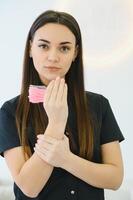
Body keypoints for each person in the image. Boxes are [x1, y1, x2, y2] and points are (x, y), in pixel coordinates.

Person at [0, 10, 125, 200]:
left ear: (75, 53)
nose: (53, 57)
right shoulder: (11, 111)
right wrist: (56, 123)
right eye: (44, 46)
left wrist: (66, 159)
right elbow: (29, 187)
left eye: (64, 48)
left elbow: (115, 179)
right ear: (31, 48)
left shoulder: (99, 105)